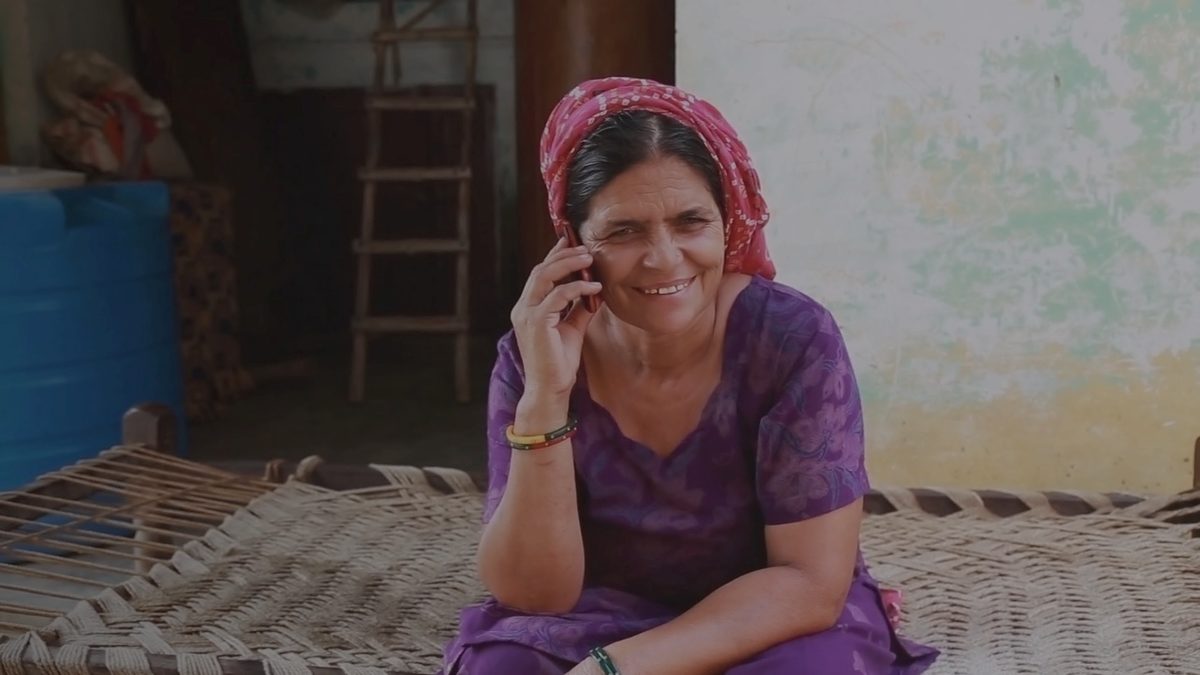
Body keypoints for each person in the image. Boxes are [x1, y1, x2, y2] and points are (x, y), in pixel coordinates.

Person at [439, 77, 939, 675]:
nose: (664, 258)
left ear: (729, 222)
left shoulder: (790, 339)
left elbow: (808, 582)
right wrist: (546, 396)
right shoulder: (535, 354)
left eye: (690, 222)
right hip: (599, 610)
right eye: (623, 231)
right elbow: (534, 595)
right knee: (500, 667)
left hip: (766, 617)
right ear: (573, 241)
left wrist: (614, 669)